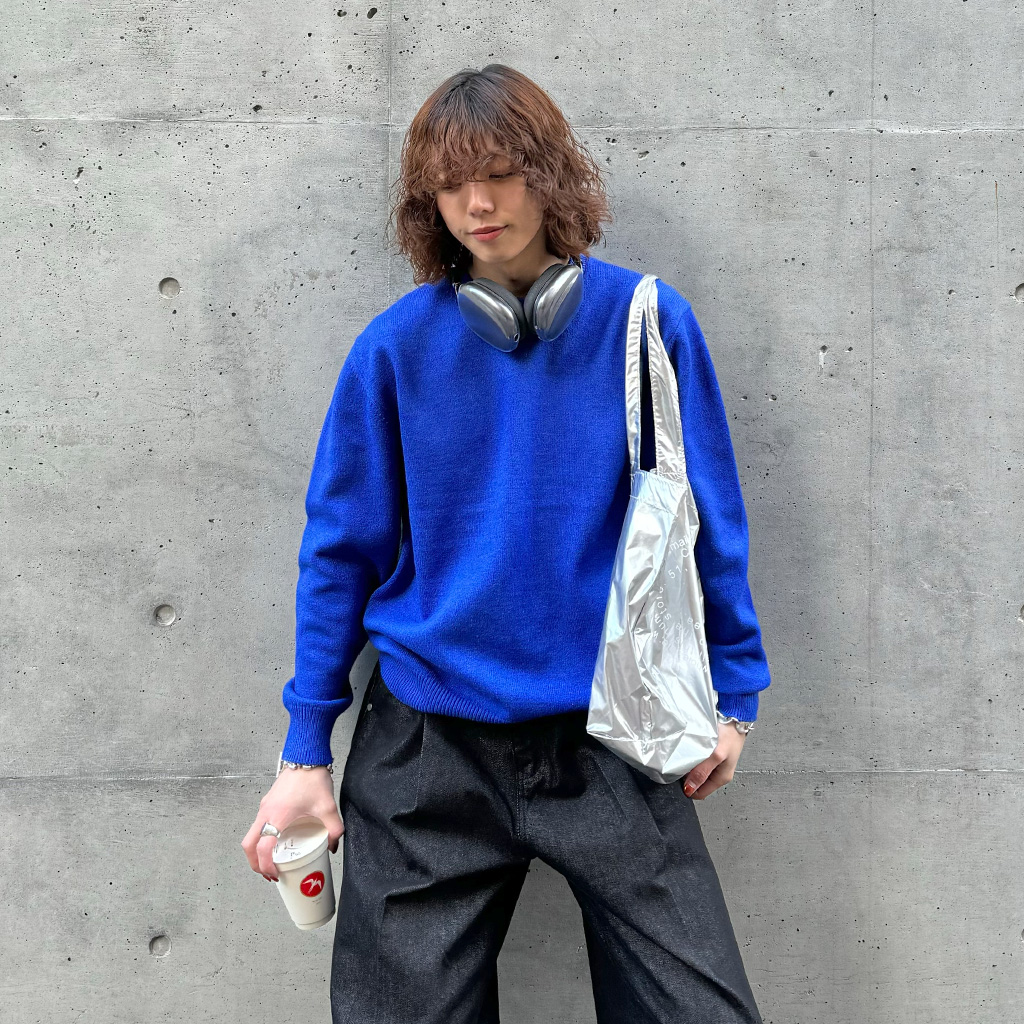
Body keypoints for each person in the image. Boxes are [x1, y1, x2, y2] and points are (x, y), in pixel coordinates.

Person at [241, 64, 772, 1024]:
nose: (477, 206)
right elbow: (339, 555)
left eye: (499, 174)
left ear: (550, 174)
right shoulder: (396, 347)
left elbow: (709, 519)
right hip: (427, 748)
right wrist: (303, 753)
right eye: (451, 185)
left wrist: (735, 695)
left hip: (612, 736)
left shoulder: (645, 323)